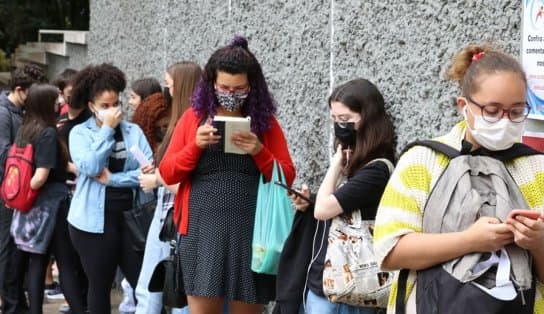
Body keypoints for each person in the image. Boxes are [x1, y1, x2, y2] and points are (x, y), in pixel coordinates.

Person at [373, 45, 544, 313]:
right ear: (464, 105)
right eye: (492, 110)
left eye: (516, 111)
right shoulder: (423, 160)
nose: (505, 120)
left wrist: (538, 243)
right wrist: (471, 240)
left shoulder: (536, 168)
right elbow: (390, 251)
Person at [159, 36, 295, 314]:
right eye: (224, 87)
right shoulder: (193, 118)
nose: (231, 94)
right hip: (200, 231)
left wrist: (259, 150)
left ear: (252, 87)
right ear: (210, 84)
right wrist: (195, 146)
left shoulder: (264, 123)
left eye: (239, 88)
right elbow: (167, 172)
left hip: (252, 233)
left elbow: (286, 177)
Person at [275, 79, 395, 314]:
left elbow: (324, 210)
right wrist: (308, 203)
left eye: (345, 120)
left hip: (349, 289)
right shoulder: (358, 164)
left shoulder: (377, 170)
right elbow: (333, 207)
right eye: (335, 120)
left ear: (367, 118)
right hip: (330, 285)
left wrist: (335, 166)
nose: (340, 127)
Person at [68, 63, 154, 314]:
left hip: (130, 218)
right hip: (91, 223)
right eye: (105, 106)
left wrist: (114, 179)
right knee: (100, 286)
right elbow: (91, 165)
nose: (113, 110)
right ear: (91, 105)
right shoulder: (79, 134)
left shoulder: (133, 131)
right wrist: (106, 130)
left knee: (145, 284)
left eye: (116, 103)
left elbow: (147, 171)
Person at [135, 61, 202, 314]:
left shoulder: (190, 124)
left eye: (170, 84)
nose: (166, 90)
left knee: (162, 293)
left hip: (176, 219)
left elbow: (191, 184)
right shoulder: (182, 122)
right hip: (168, 217)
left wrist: (158, 179)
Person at [7, 84, 71, 314]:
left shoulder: (26, 129)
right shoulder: (48, 132)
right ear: (46, 103)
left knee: (36, 259)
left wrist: (20, 199)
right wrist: (29, 195)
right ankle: (79, 307)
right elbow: (40, 176)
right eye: (56, 100)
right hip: (47, 206)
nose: (60, 103)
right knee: (64, 262)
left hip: (28, 207)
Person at [0, 64, 47, 314]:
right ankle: (11, 306)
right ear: (19, 90)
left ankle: (17, 303)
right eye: (33, 93)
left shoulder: (23, 110)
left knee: (16, 251)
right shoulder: (4, 113)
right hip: (7, 192)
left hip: (19, 191)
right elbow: (3, 154)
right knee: (7, 251)